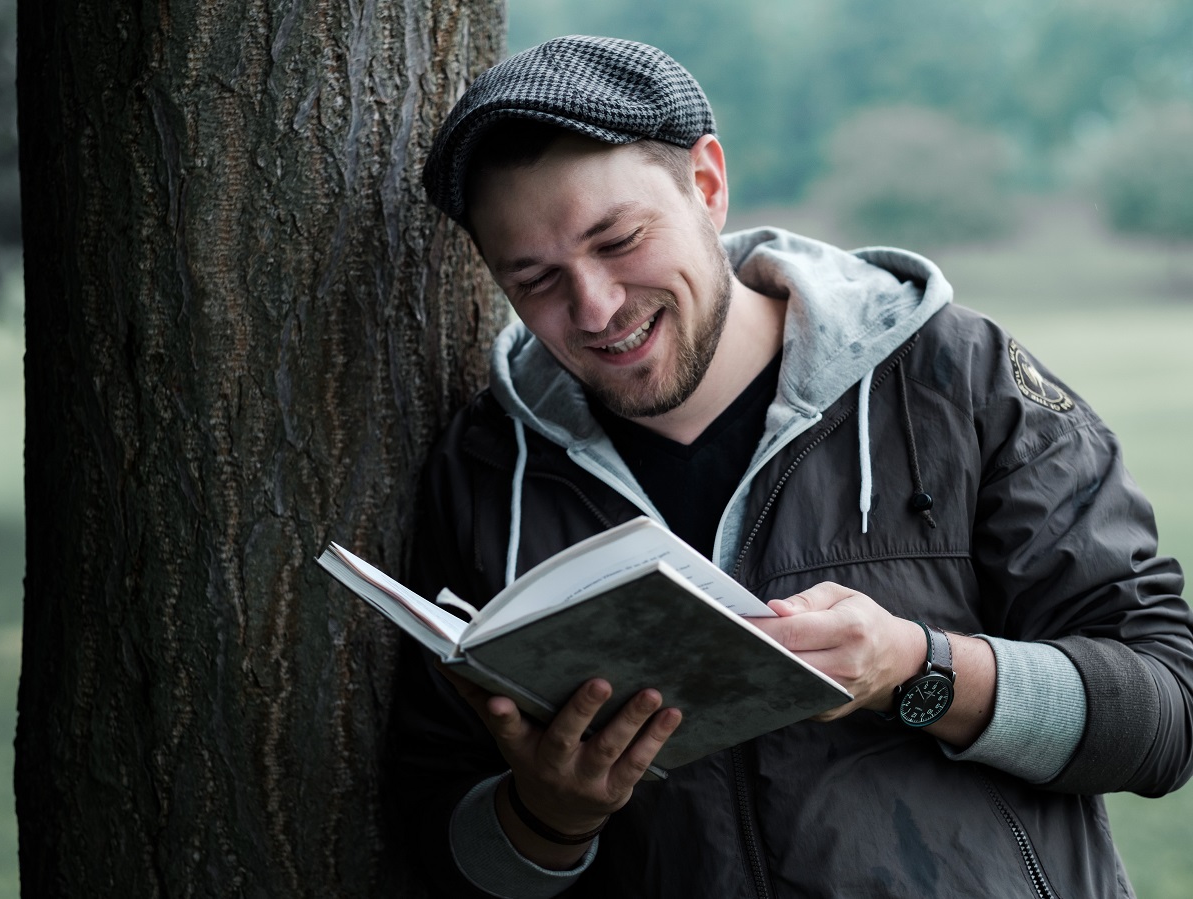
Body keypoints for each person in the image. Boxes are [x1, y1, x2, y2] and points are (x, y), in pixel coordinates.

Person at [394, 35, 1193, 898]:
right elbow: (435, 842)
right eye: (535, 279)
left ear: (706, 183)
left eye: (618, 239)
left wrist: (913, 668)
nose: (595, 306)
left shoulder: (956, 378)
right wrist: (550, 816)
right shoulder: (485, 466)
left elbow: (1163, 718)